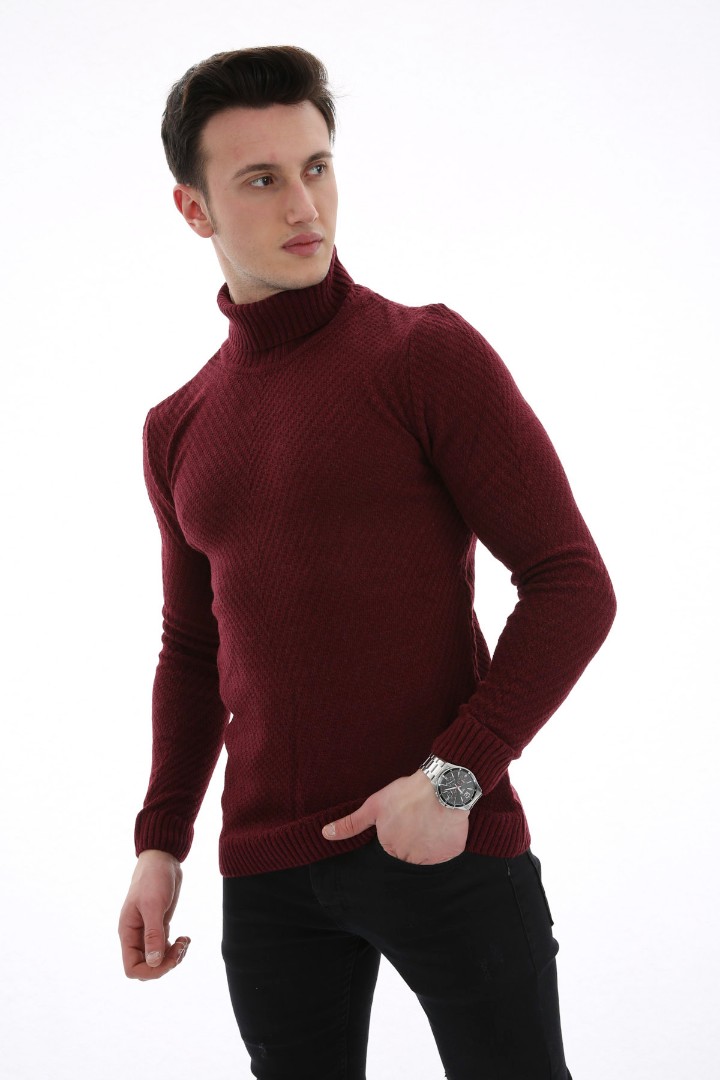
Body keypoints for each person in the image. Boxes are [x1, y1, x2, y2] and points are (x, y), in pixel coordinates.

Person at [118, 45, 616, 1080]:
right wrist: (160, 842)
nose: (304, 204)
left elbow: (571, 582)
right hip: (268, 876)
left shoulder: (422, 356)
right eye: (261, 178)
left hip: (442, 841)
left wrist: (455, 778)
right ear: (194, 210)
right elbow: (193, 650)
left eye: (316, 166)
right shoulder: (177, 428)